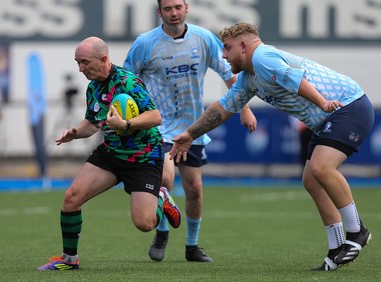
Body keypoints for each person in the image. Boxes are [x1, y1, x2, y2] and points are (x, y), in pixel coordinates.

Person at [169, 22, 373, 271]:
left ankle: (357, 231)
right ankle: (337, 247)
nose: (223, 54)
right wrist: (190, 134)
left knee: (321, 168)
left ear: (243, 46)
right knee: (311, 179)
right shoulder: (248, 78)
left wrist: (323, 102)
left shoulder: (263, 57)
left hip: (348, 106)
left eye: (227, 48)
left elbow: (297, 82)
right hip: (329, 117)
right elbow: (221, 109)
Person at [124, 0, 257, 263]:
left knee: (194, 188)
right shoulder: (145, 43)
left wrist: (244, 108)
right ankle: (162, 232)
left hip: (192, 128)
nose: (173, 13)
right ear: (159, 12)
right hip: (157, 127)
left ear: (186, 8)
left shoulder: (204, 38)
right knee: (165, 179)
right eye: (167, 9)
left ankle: (191, 246)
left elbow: (229, 73)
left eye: (178, 7)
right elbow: (127, 79)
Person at [38, 36, 181, 270]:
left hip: (143, 156)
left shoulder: (128, 82)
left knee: (145, 224)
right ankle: (69, 260)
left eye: (85, 62)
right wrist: (75, 132)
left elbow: (155, 117)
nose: (81, 68)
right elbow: (93, 123)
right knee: (71, 198)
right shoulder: (93, 87)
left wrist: (125, 124)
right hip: (112, 153)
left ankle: (161, 197)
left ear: (103, 59)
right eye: (78, 63)